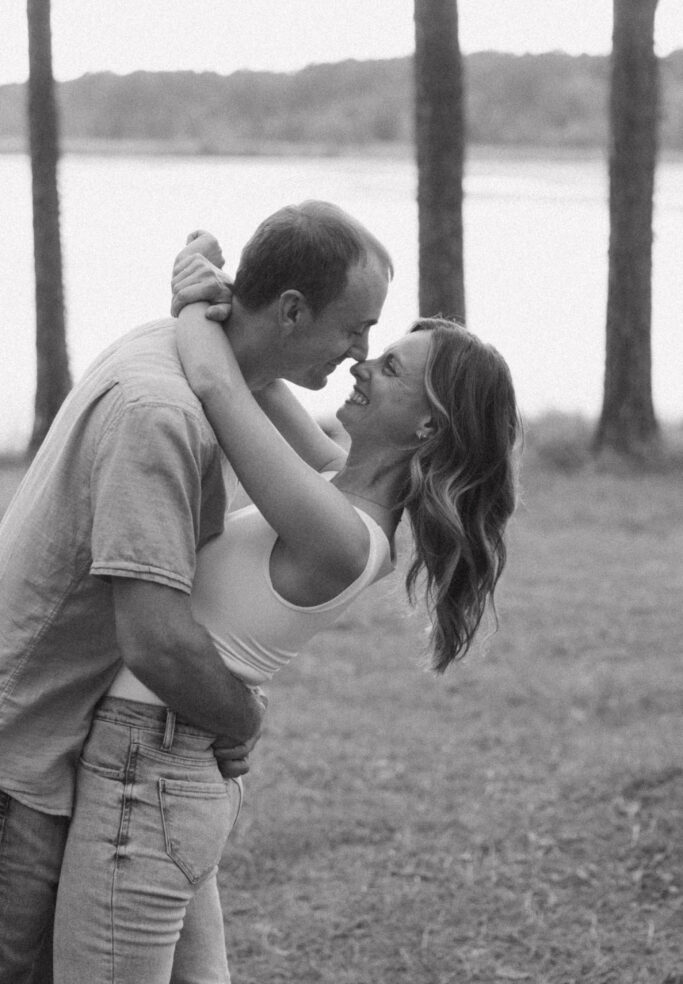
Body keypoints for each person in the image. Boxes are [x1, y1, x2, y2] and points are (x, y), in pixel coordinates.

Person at [51, 247, 520, 982]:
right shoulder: (334, 479)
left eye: (391, 368)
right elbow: (251, 369)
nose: (362, 365)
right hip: (173, 763)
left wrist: (187, 295)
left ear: (427, 429)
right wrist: (234, 296)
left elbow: (214, 381)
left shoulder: (340, 534)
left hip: (151, 771)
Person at [0, 200, 392, 983]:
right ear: (290, 310)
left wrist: (192, 296)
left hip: (61, 739)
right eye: (355, 328)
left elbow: (279, 427)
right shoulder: (163, 409)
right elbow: (156, 638)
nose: (359, 353)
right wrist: (241, 717)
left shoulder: (181, 360)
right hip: (24, 749)